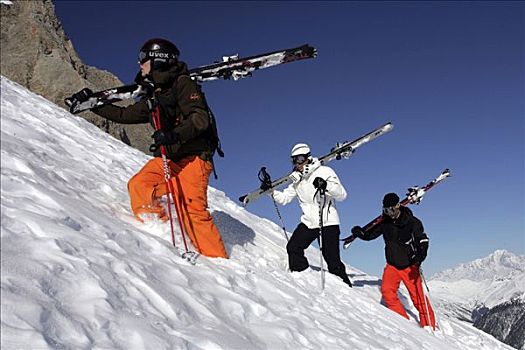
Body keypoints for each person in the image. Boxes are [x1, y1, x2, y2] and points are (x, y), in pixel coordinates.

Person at [69, 38, 228, 259]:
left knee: (192, 210)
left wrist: (174, 134)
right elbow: (125, 115)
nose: (139, 64)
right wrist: (93, 104)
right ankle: (160, 232)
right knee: (139, 185)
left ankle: (219, 263)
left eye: (143, 59)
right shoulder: (155, 94)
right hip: (171, 157)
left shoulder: (183, 84)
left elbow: (199, 118)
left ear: (158, 59)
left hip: (194, 157)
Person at [271, 143, 352, 287]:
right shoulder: (298, 181)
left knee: (332, 260)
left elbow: (342, 195)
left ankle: (345, 288)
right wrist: (271, 191)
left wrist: (326, 186)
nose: (297, 163)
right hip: (309, 222)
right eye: (294, 160)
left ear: (308, 157)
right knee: (293, 247)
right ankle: (303, 282)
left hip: (328, 222)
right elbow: (284, 198)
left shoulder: (325, 171)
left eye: (300, 159)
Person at [351, 193, 436, 329]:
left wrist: (420, 256)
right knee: (387, 292)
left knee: (419, 300)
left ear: (397, 206)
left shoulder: (412, 222)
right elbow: (371, 234)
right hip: (392, 265)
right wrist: (361, 234)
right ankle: (403, 323)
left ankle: (430, 327)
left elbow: (423, 240)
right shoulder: (385, 222)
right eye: (385, 210)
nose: (388, 213)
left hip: (410, 266)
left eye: (390, 210)